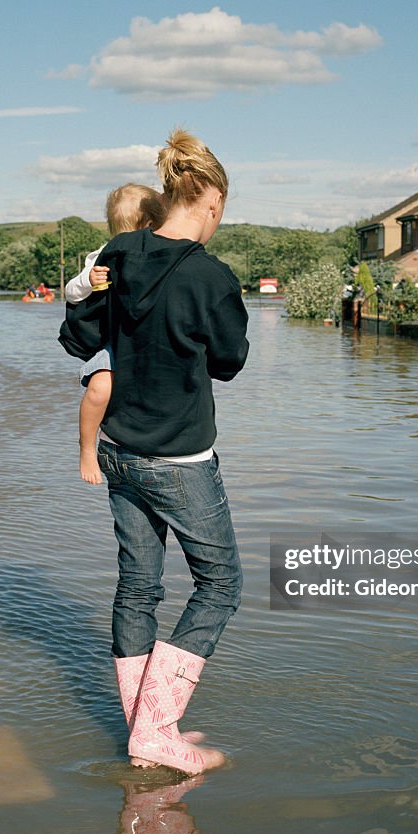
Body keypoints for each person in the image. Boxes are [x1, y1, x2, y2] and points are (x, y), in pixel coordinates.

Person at [60, 128, 249, 774]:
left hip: (116, 451)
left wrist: (88, 293)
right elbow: (228, 362)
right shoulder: (212, 278)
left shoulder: (118, 251)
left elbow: (77, 332)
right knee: (220, 585)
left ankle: (145, 734)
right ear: (212, 202)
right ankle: (157, 727)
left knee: (138, 585)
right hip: (178, 462)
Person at [65, 184, 166, 485]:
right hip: (112, 339)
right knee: (99, 387)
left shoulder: (161, 254)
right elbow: (71, 293)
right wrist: (88, 278)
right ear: (149, 226)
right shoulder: (101, 256)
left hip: (144, 338)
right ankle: (86, 447)